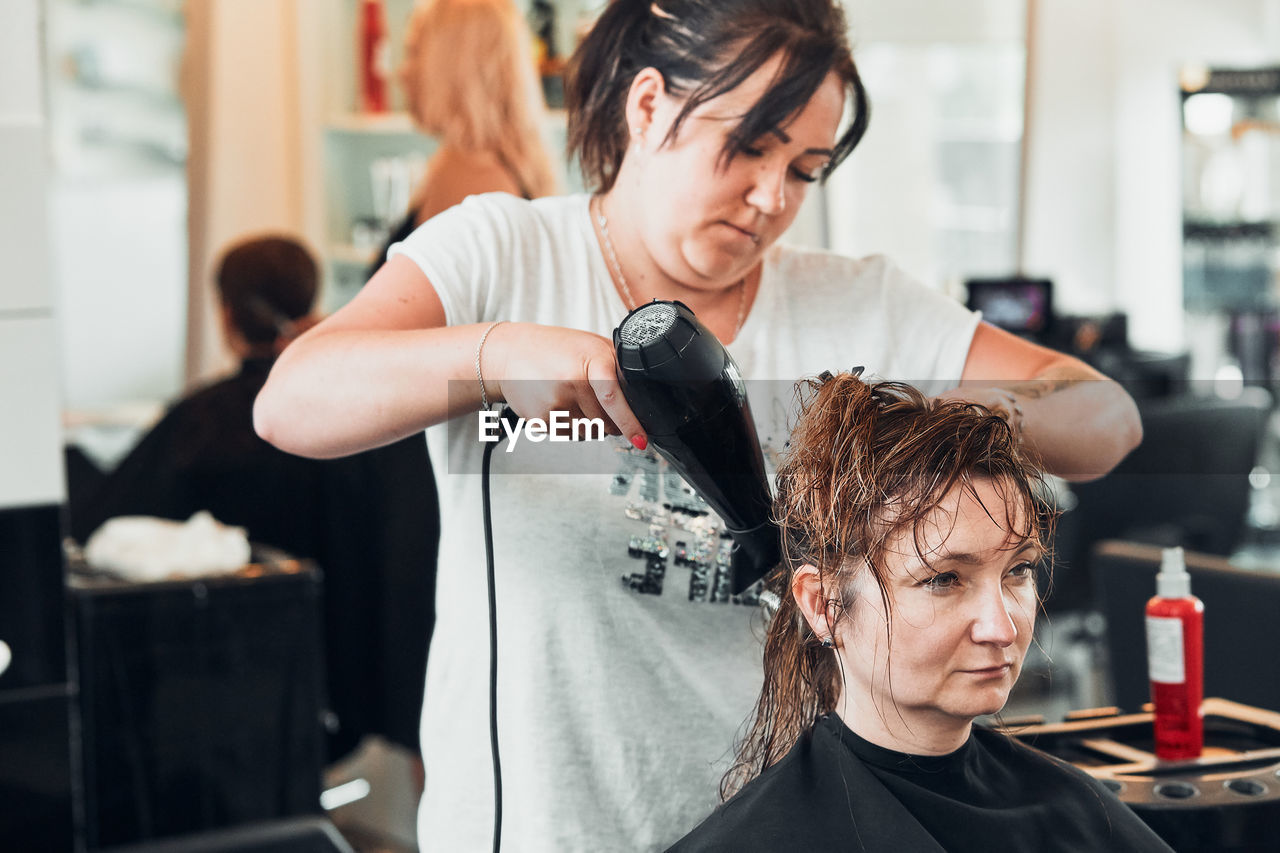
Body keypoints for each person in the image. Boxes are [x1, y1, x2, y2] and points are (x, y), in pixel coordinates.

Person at [253, 1, 1142, 848]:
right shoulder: (502, 254)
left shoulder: (857, 304)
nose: (769, 198)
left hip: (783, 827)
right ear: (649, 105)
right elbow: (292, 400)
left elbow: (1103, 420)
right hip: (543, 827)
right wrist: (493, 354)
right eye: (746, 148)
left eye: (804, 170)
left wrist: (871, 422)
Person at [669, 373, 1172, 852]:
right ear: (824, 606)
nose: (1001, 628)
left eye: (1017, 570)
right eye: (942, 579)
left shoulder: (1077, 813)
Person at [69, 235, 439, 769]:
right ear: (312, 303)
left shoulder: (202, 425)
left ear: (226, 316)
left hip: (218, 695)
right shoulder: (364, 421)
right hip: (347, 693)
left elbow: (98, 520)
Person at [392, 0, 558, 234]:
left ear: (456, 65)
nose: (402, 71)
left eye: (415, 52)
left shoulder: (471, 175)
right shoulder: (497, 163)